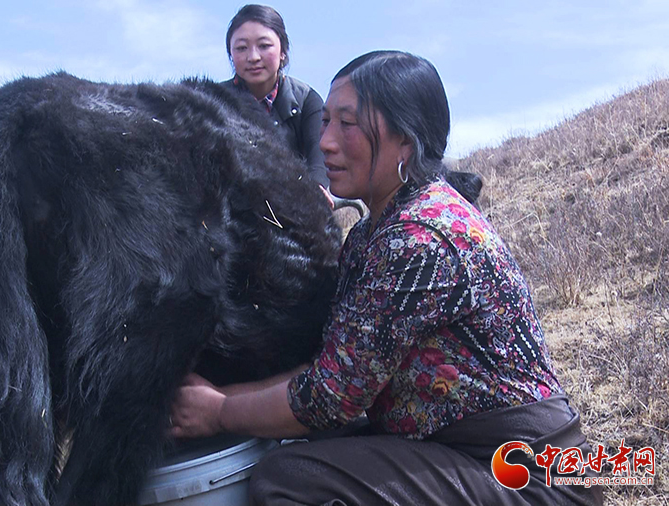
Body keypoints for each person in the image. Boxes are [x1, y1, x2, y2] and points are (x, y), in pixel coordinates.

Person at [171, 50, 603, 505]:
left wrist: (221, 412)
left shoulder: (420, 238)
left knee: (289, 478)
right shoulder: (372, 234)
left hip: (525, 474)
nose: (326, 142)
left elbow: (330, 397)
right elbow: (333, 367)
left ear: (406, 142)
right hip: (462, 454)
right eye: (326, 122)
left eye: (348, 124)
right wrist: (220, 396)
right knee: (310, 445)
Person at [222, 4, 328, 188]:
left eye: (264, 46)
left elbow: (320, 153)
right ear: (231, 55)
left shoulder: (306, 100)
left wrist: (316, 189)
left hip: (291, 198)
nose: (253, 57)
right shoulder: (211, 99)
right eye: (241, 48)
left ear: (283, 51)